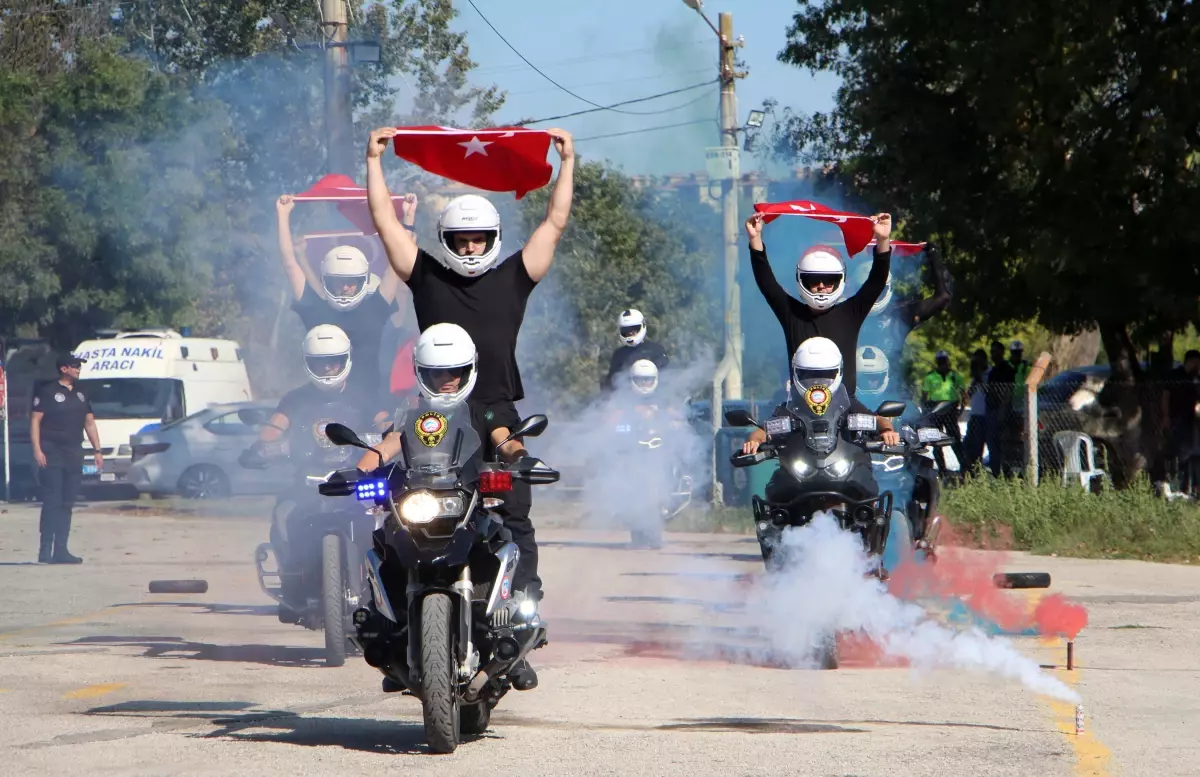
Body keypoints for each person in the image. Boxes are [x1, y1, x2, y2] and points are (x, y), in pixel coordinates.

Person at [364, 125, 576, 606]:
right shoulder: (426, 277)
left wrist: (567, 162)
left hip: (496, 412)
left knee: (514, 514)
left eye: (478, 240)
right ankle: (394, 605)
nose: (469, 248)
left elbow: (555, 221)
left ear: (493, 239)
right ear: (445, 240)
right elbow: (384, 221)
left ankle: (522, 608)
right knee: (395, 508)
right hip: (433, 413)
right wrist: (374, 160)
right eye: (460, 240)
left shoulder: (515, 277)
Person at [355, 323, 542, 692]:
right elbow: (390, 442)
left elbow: (504, 439)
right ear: (422, 373)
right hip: (423, 504)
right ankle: (388, 627)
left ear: (468, 370)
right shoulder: (413, 414)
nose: (447, 380)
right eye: (437, 372)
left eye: (455, 371)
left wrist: (519, 457)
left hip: (470, 503)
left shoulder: (484, 411)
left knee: (509, 539)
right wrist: (359, 469)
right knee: (383, 543)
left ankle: (517, 635)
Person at [249, 325, 392, 609]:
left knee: (388, 521)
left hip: (357, 481)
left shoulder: (367, 395)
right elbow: (274, 429)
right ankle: (293, 580)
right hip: (308, 483)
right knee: (283, 515)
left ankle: (387, 583)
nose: (328, 368)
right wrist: (262, 447)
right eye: (320, 363)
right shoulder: (295, 399)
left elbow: (386, 424)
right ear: (308, 363)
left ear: (346, 359)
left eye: (334, 361)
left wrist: (390, 437)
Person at [275, 192, 418, 388]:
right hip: (322, 399)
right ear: (327, 281)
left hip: (371, 404)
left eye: (351, 281)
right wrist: (283, 215)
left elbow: (396, 263)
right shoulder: (316, 309)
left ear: (364, 280)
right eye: (338, 281)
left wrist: (408, 218)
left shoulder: (375, 307)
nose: (345, 287)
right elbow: (289, 264)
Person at [744, 210, 893, 397]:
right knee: (761, 428)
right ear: (801, 280)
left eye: (829, 280)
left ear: (840, 281)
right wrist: (755, 238)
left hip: (845, 407)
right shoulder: (792, 314)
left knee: (886, 426)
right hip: (800, 407)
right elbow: (767, 284)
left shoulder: (850, 313)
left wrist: (882, 240)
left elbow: (877, 281)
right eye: (814, 280)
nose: (821, 286)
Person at [741, 337, 901, 456]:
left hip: (845, 466)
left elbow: (878, 419)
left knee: (867, 491)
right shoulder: (793, 405)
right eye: (808, 375)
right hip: (799, 471)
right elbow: (763, 429)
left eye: (826, 374)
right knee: (776, 492)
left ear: (838, 372)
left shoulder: (845, 402)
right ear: (796, 373)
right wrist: (755, 440)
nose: (817, 381)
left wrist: (887, 431)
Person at [30, 354, 102, 564]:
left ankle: (61, 550)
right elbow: (35, 421)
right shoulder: (47, 391)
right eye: (75, 366)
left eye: (79, 366)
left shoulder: (82, 392)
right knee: (52, 500)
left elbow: (89, 423)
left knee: (67, 501)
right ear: (64, 368)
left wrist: (97, 450)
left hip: (73, 451)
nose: (79, 369)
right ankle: (45, 549)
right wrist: (37, 449)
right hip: (51, 451)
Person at [855, 243, 952, 350]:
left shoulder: (901, 314)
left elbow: (942, 297)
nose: (874, 296)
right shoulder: (846, 310)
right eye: (867, 289)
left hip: (890, 366)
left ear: (889, 288)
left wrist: (932, 255)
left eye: (880, 290)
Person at [921, 350, 968, 473]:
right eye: (940, 361)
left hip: (951, 409)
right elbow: (924, 396)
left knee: (955, 439)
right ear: (937, 362)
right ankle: (942, 470)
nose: (942, 364)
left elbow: (964, 395)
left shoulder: (955, 376)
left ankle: (964, 468)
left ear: (948, 361)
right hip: (935, 409)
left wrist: (961, 410)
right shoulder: (930, 376)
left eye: (944, 361)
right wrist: (925, 413)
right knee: (936, 440)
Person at [602, 309, 670, 392]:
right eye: (626, 331)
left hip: (657, 398)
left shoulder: (656, 350)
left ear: (643, 326)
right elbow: (611, 384)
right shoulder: (619, 354)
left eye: (634, 329)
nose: (630, 333)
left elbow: (667, 379)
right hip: (627, 399)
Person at [1162, 350, 1200, 493]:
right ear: (1192, 361)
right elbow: (1165, 397)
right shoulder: (1175, 376)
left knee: (1191, 454)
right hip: (1177, 419)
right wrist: (1166, 417)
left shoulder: (1195, 378)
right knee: (1180, 454)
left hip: (1193, 421)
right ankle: (1179, 487)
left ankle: (1192, 487)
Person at [985, 340, 1018, 476]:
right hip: (991, 409)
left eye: (995, 352)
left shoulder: (1007, 369)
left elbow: (1008, 391)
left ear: (1002, 352)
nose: (993, 355)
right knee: (992, 444)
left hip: (1002, 411)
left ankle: (1004, 472)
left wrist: (1002, 411)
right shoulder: (993, 371)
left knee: (1002, 444)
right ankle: (995, 472)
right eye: (991, 352)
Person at [961, 349, 990, 473]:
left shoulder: (990, 373)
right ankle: (970, 471)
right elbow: (969, 396)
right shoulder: (975, 378)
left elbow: (990, 392)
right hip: (974, 415)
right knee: (969, 445)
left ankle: (980, 470)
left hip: (986, 415)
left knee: (981, 445)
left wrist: (980, 379)